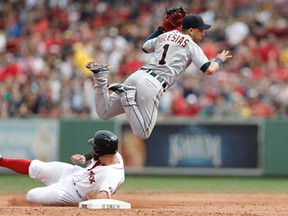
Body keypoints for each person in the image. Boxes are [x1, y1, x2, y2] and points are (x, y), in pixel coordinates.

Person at [86, 13, 232, 140]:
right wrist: (219, 59)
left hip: (137, 75)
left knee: (104, 112)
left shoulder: (166, 35)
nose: (203, 34)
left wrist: (161, 28)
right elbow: (209, 70)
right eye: (201, 30)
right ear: (192, 30)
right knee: (143, 133)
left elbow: (145, 46)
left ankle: (100, 77)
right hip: (153, 84)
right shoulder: (191, 44)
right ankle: (127, 97)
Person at [0, 130, 125, 205]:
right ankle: (1, 160)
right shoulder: (111, 153)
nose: (94, 149)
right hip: (76, 174)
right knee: (37, 166)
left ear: (101, 151)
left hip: (74, 193)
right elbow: (96, 153)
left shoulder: (112, 175)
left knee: (31, 195)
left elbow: (104, 195)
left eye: (95, 147)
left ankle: (54, 197)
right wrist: (84, 156)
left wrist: (94, 199)